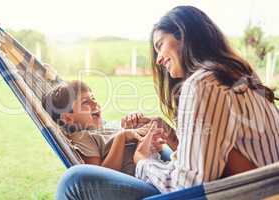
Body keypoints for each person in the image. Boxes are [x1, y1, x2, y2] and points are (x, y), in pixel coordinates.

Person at [55, 5, 279, 200]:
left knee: (74, 181)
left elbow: (189, 187)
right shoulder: (236, 77)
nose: (159, 59)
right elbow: (220, 158)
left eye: (160, 44)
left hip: (235, 194)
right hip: (256, 189)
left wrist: (143, 161)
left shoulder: (203, 84)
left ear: (183, 34)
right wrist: (173, 137)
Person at [42, 80, 171, 176]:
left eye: (93, 98)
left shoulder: (104, 126)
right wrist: (122, 137)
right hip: (145, 177)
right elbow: (101, 176)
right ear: (68, 118)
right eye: (85, 102)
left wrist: (137, 125)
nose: (95, 103)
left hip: (157, 166)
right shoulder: (81, 137)